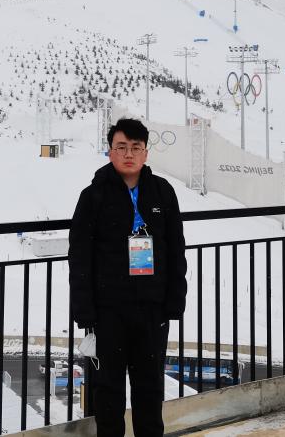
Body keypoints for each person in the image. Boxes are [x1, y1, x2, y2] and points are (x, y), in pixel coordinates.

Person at [69, 118, 188, 437]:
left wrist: (174, 301)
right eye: (121, 147)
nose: (128, 154)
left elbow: (176, 250)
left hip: (152, 309)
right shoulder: (92, 196)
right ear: (110, 151)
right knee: (108, 392)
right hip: (108, 311)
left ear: (146, 153)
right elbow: (79, 257)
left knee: (150, 389)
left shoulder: (162, 192)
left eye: (136, 147)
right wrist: (84, 311)